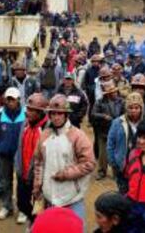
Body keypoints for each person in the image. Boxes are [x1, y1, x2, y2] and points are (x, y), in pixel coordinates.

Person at [33, 94, 95, 229]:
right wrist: (37, 186)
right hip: (50, 197)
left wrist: (67, 174)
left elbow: (89, 163)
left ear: (66, 115)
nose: (56, 117)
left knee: (76, 229)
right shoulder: (44, 135)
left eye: (60, 113)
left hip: (72, 198)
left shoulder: (77, 135)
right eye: (53, 114)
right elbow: (38, 162)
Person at [0, 87, 26, 221]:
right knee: (4, 181)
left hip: (22, 155)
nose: (10, 102)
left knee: (22, 182)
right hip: (4, 155)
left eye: (13, 99)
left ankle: (23, 210)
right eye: (8, 99)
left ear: (18, 100)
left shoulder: (26, 113)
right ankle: (7, 206)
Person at [106, 92, 145, 193]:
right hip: (123, 166)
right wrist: (113, 163)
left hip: (144, 167)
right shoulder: (117, 122)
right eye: (130, 108)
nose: (134, 110)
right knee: (124, 193)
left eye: (137, 107)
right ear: (126, 108)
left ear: (141, 108)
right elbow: (110, 143)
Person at [15, 93, 49, 225]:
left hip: (37, 176)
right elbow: (19, 146)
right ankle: (33, 222)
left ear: (40, 112)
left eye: (31, 110)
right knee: (22, 203)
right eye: (27, 109)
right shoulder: (25, 124)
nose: (27, 112)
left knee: (39, 207)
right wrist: (18, 167)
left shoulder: (47, 129)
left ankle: (36, 225)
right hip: (22, 172)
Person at [91, 81, 124, 180]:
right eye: (112, 92)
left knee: (117, 152)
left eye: (115, 92)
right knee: (102, 153)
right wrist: (103, 116)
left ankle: (116, 172)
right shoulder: (99, 102)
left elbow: (124, 113)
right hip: (103, 130)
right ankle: (102, 171)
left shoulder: (121, 101)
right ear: (108, 94)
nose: (114, 93)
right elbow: (93, 114)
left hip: (117, 131)